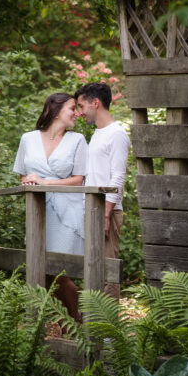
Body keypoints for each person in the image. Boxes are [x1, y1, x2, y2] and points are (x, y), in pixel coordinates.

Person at [13, 92, 87, 322]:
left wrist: (46, 182)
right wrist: (29, 182)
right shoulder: (28, 139)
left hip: (67, 213)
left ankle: (75, 318)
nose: (77, 113)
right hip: (38, 211)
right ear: (55, 111)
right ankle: (68, 320)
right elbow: (23, 176)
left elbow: (78, 179)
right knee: (40, 268)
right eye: (72, 108)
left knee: (60, 270)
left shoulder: (78, 140)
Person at [74, 82, 131, 298]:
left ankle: (108, 331)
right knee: (93, 270)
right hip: (92, 208)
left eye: (82, 106)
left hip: (108, 210)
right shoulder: (98, 134)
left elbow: (117, 177)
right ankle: (93, 327)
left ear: (95, 103)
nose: (80, 112)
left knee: (107, 272)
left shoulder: (116, 134)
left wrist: (106, 215)